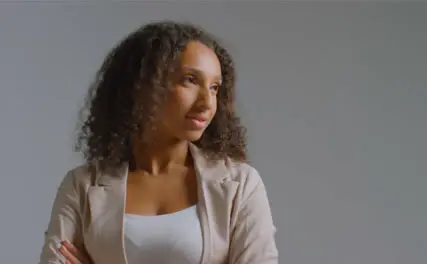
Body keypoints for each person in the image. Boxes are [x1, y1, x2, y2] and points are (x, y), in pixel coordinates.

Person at [39, 21, 278, 264]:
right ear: (142, 85)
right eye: (190, 80)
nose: (207, 102)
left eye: (215, 87)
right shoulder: (81, 187)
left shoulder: (241, 185)